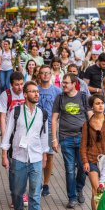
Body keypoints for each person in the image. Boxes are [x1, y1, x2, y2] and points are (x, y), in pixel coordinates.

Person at [1, 81, 49, 210]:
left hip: (36, 159)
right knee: (17, 192)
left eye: (37, 92)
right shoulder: (16, 111)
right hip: (18, 158)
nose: (36, 94)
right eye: (33, 91)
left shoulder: (42, 114)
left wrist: (44, 155)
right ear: (25, 94)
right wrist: (4, 154)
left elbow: (44, 136)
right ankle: (18, 209)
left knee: (35, 194)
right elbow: (8, 133)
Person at [52, 73, 90, 208]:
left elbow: (90, 117)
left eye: (66, 82)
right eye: (63, 82)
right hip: (65, 138)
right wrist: (54, 139)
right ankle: (72, 197)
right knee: (69, 169)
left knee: (82, 167)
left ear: (74, 84)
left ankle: (79, 188)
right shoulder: (60, 98)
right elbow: (54, 119)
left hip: (82, 138)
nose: (63, 85)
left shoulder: (83, 97)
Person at [0, 71, 26, 207]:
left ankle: (23, 193)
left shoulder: (27, 93)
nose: (20, 87)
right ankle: (14, 194)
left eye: (21, 84)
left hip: (25, 135)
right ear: (11, 84)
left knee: (25, 165)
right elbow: (2, 117)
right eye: (17, 85)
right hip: (12, 135)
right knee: (13, 167)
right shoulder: (6, 95)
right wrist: (5, 137)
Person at [80, 94, 105, 210]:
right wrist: (85, 161)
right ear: (92, 106)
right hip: (92, 159)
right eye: (97, 103)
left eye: (102, 103)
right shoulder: (87, 124)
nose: (100, 105)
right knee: (97, 190)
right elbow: (82, 145)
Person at [37, 65, 62, 197]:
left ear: (51, 75)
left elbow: (60, 110)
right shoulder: (35, 89)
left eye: (47, 73)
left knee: (50, 155)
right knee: (37, 155)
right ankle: (37, 182)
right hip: (37, 127)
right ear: (39, 75)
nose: (45, 75)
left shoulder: (57, 91)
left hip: (51, 127)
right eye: (43, 73)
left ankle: (46, 184)